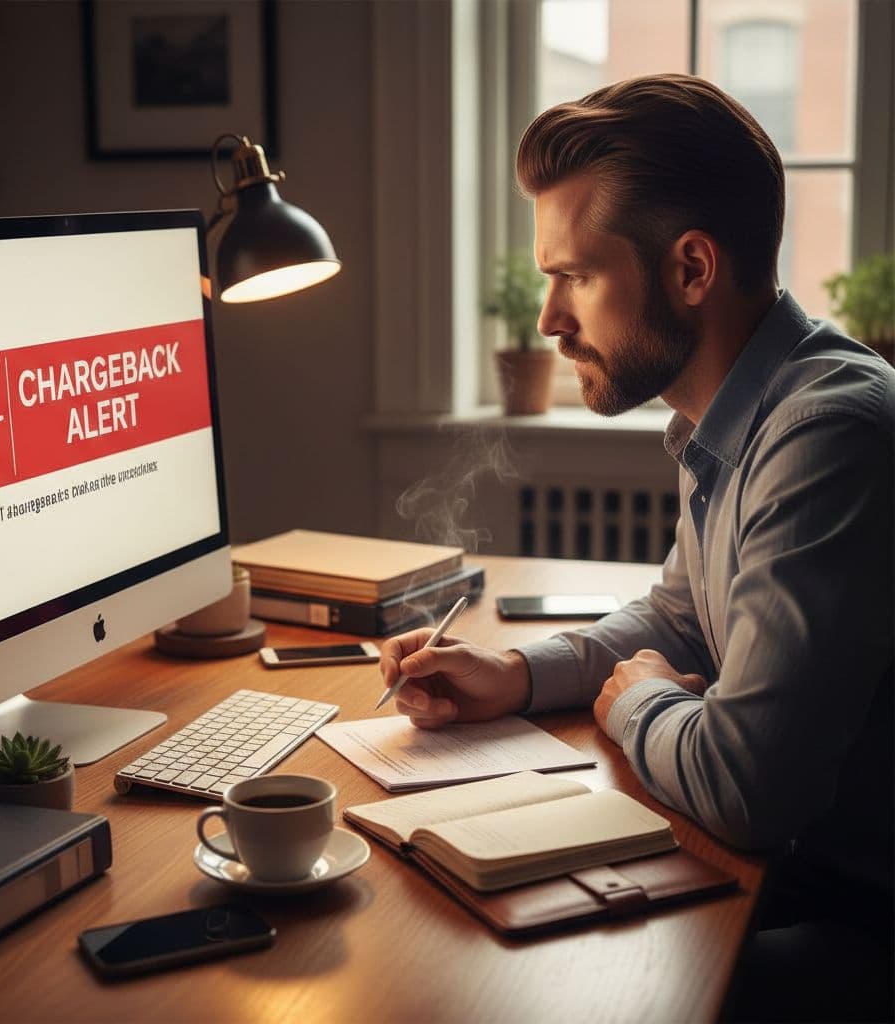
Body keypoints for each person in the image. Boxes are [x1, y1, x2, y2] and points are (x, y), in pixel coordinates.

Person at [379, 74, 893, 1021]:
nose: (549, 320)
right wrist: (514, 674)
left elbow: (745, 789)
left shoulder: (828, 432)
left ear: (691, 269)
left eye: (574, 275)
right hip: (804, 878)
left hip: (863, 922)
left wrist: (636, 701)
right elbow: (682, 618)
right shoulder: (739, 410)